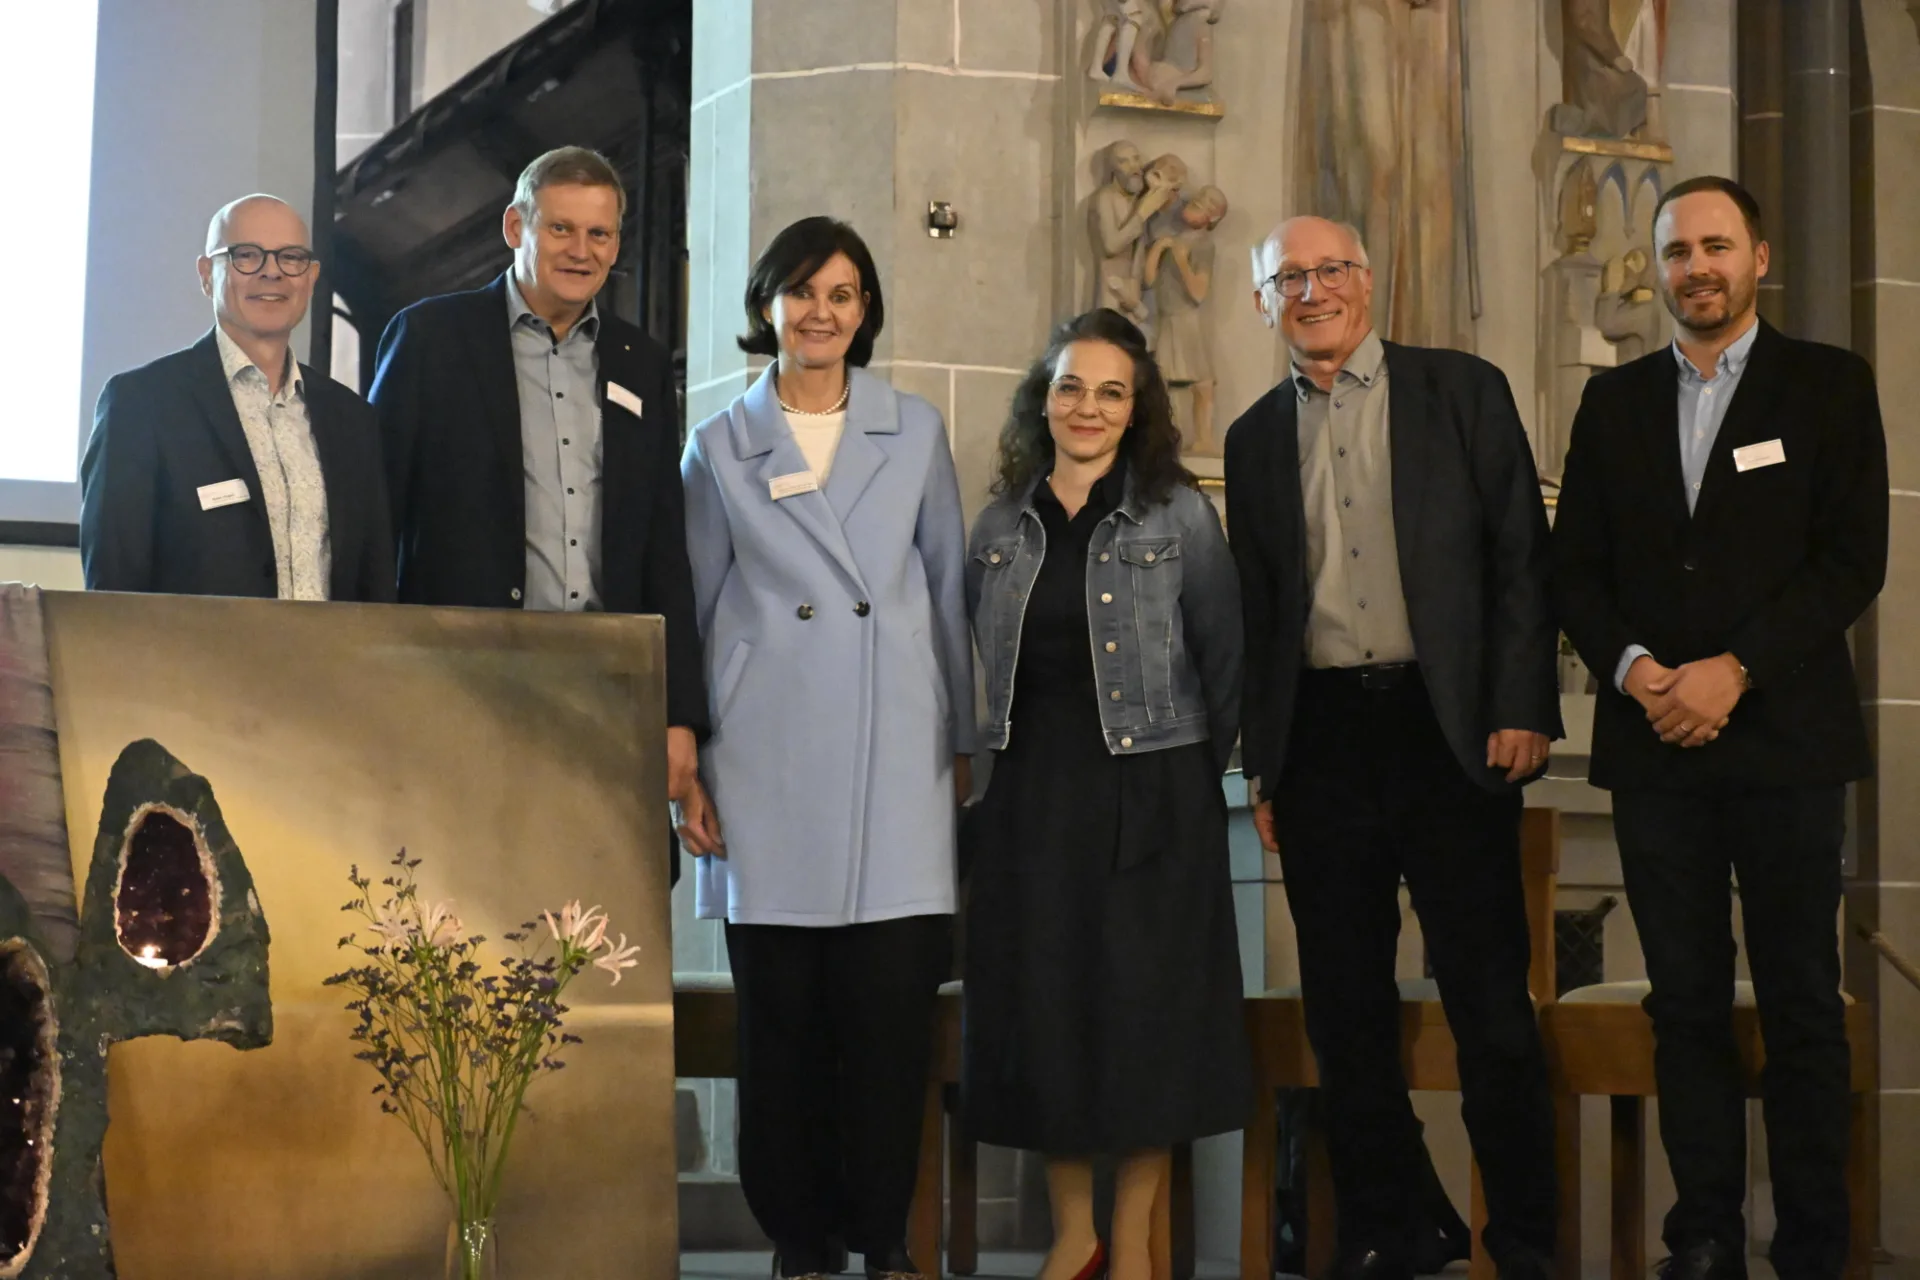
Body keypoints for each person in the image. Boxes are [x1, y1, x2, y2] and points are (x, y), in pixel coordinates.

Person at [1553, 176, 1887, 1280]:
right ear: (1655, 270)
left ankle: (1811, 1244)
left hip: (1785, 741)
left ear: (1760, 256)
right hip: (1656, 743)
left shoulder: (1830, 388)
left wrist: (1733, 670)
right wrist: (1644, 670)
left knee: (1799, 998)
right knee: (1682, 997)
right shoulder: (1614, 403)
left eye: (1715, 245)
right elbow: (1576, 571)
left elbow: (1852, 559)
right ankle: (1701, 1234)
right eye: (1676, 250)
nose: (1695, 266)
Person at [1223, 216, 1561, 1280]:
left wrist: (1524, 704)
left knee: (1492, 1009)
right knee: (1347, 1011)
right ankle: (1396, 1226)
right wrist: (1264, 763)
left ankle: (1527, 1240)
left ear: (1370, 282)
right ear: (1262, 302)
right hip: (1321, 738)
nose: (1313, 290)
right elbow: (1260, 614)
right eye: (1290, 278)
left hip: (1450, 729)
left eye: (1331, 270)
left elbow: (1521, 555)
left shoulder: (1461, 389)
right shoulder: (1247, 437)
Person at [679, 216, 976, 1280]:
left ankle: (885, 1233)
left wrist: (964, 744)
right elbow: (698, 603)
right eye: (802, 291)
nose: (821, 312)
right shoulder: (719, 444)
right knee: (784, 1024)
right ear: (768, 305)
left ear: (865, 311)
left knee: (890, 1025)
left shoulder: (916, 430)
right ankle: (798, 1235)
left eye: (843, 294)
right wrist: (692, 762)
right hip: (766, 765)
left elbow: (945, 592)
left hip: (895, 756)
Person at [963, 308, 1247, 1280]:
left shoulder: (1179, 516)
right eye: (1071, 386)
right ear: (1043, 399)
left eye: (1111, 390)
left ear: (1138, 409)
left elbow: (1225, 659)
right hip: (1030, 796)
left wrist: (1183, 785)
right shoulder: (1002, 522)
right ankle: (1072, 1232)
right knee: (1051, 1011)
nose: (1088, 406)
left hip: (1154, 786)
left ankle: (1131, 1245)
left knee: (1147, 1020)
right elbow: (973, 656)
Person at [368, 145, 714, 865]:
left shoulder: (641, 363)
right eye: (561, 229)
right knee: (464, 900)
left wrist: (680, 714)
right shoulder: (432, 339)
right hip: (463, 687)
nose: (581, 251)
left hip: (605, 693)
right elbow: (377, 520)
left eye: (600, 234)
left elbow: (662, 549)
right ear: (514, 227)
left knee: (601, 913)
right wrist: (379, 680)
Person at [80, 195, 393, 601]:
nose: (272, 273)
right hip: (193, 664)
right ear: (207, 274)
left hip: (328, 664)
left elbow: (375, 587)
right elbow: (113, 591)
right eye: (247, 256)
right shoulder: (141, 406)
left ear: (312, 276)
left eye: (291, 258)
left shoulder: (352, 419)